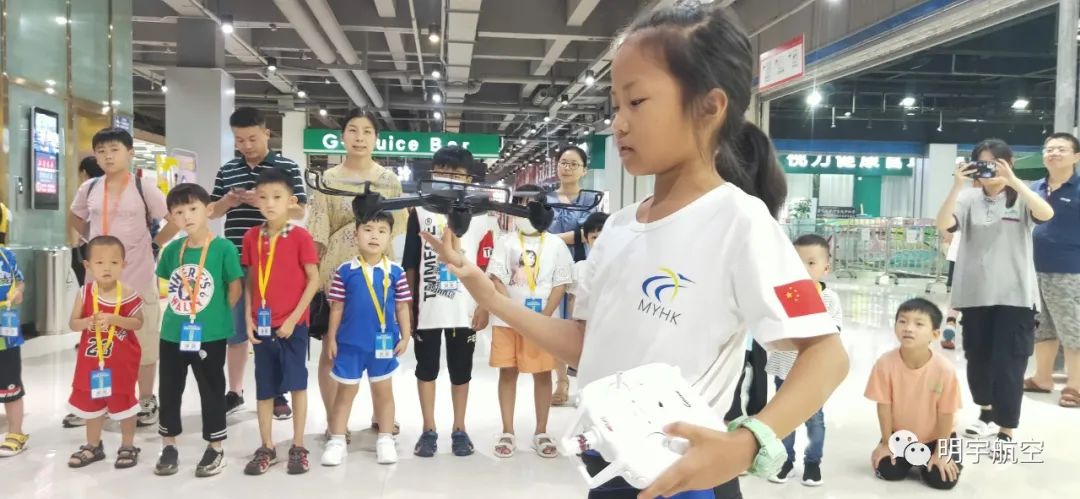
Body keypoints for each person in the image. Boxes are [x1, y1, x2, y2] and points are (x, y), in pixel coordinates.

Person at [420, 4, 847, 498]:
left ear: (709, 106)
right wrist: (493, 299)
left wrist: (748, 442)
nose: (619, 123)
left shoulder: (740, 222)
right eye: (615, 105)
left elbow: (826, 354)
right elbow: (586, 343)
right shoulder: (620, 227)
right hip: (609, 467)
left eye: (637, 102)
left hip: (683, 479)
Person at [934, 139, 1053, 444]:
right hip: (975, 294)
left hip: (1016, 296)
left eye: (995, 163)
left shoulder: (1022, 195)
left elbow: (1046, 214)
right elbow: (944, 224)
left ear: (1008, 163)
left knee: (1010, 363)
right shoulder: (968, 198)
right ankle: (985, 413)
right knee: (978, 358)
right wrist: (957, 186)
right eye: (983, 163)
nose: (989, 170)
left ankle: (1006, 428)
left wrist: (1013, 180)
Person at [69, 128, 179, 430]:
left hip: (138, 278)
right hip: (99, 283)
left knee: (143, 342)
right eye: (101, 151)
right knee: (98, 342)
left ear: (130, 153)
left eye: (114, 149)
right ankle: (97, 400)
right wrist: (90, 241)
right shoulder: (90, 188)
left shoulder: (144, 188)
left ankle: (145, 399)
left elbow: (173, 220)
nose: (108, 156)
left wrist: (154, 244)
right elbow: (75, 215)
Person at [308, 109, 406, 438]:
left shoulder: (389, 181)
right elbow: (318, 231)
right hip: (337, 274)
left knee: (381, 344)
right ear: (343, 136)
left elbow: (397, 226)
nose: (359, 137)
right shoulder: (327, 180)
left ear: (376, 138)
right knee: (333, 347)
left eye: (366, 131)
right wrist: (313, 279)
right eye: (353, 130)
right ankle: (335, 421)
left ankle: (382, 416)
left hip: (380, 276)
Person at [209, 107, 307, 419]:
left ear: (267, 133)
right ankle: (235, 391)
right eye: (239, 140)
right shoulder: (228, 170)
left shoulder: (286, 167)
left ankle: (278, 392)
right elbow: (211, 211)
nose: (246, 146)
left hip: (275, 263)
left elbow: (301, 210)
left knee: (274, 328)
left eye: (252, 138)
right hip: (234, 260)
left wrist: (264, 200)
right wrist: (228, 201)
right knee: (236, 329)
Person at [403, 145, 496, 458]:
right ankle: (428, 429)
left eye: (456, 173)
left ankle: (459, 428)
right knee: (426, 369)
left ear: (469, 178)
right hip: (427, 308)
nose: (448, 178)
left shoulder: (483, 216)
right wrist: (407, 306)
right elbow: (411, 263)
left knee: (461, 371)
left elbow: (488, 265)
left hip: (464, 309)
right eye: (442, 171)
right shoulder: (419, 211)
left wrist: (484, 305)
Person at [154, 183, 244, 477]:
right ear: (172, 217)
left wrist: (216, 314)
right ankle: (168, 444)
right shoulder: (172, 251)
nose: (187, 216)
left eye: (193, 209)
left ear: (209, 210)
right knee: (169, 389)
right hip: (173, 333)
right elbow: (167, 283)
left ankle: (215, 446)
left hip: (210, 334)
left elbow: (234, 288)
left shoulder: (223, 248)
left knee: (212, 389)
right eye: (179, 212)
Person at [240, 169, 321, 475]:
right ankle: (267, 446)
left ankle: (298, 445)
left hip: (293, 325)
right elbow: (250, 280)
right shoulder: (251, 237)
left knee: (297, 383)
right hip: (262, 326)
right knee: (265, 386)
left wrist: (294, 318)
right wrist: (247, 318)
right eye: (263, 197)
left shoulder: (300, 236)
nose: (270, 203)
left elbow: (313, 280)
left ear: (291, 201)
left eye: (277, 197)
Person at [486, 184, 574, 459]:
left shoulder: (556, 244)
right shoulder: (506, 241)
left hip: (542, 324)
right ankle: (507, 431)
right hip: (506, 322)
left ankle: (541, 431)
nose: (525, 210)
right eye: (520, 204)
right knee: (507, 372)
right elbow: (496, 278)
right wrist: (514, 314)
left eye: (530, 204)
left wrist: (542, 319)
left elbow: (561, 284)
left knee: (543, 374)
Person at [322, 211, 412, 466]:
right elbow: (336, 308)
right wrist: (331, 338)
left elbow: (402, 306)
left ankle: (385, 439)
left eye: (382, 231)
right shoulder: (345, 271)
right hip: (350, 345)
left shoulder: (396, 271)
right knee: (345, 393)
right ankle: (337, 440)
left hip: (383, 346)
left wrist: (406, 336)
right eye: (368, 229)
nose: (374, 236)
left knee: (384, 392)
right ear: (356, 234)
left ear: (389, 237)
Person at [764, 234, 843, 487]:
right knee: (784, 417)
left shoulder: (829, 299)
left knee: (814, 419)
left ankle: (812, 462)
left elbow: (831, 335)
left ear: (825, 268)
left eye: (811, 263)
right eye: (797, 262)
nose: (803, 269)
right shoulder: (781, 295)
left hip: (813, 374)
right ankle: (785, 460)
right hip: (783, 369)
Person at [65, 236, 145, 469]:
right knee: (92, 406)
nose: (107, 268)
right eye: (99, 263)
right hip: (91, 364)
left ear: (123, 265)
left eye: (114, 262)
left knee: (124, 404)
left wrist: (114, 319)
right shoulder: (85, 292)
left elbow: (138, 323)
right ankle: (93, 445)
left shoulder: (128, 293)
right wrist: (87, 322)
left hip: (120, 364)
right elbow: (73, 323)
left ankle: (128, 445)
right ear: (88, 266)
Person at [866, 298, 962, 490]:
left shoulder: (944, 370)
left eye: (919, 324)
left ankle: (928, 461)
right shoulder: (885, 363)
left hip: (940, 437)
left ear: (935, 334)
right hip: (901, 435)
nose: (908, 328)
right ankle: (915, 459)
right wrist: (886, 443)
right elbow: (884, 406)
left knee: (942, 479)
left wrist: (941, 452)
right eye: (902, 321)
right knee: (888, 470)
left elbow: (946, 414)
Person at [1027, 132, 1080, 408]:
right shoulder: (1034, 187)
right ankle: (1042, 377)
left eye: (1061, 149)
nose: (1054, 153)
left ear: (1076, 156)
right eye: (1049, 149)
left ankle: (1076, 385)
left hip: (1069, 271)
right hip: (1033, 268)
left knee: (1072, 328)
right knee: (1042, 326)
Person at [547, 145, 601, 405]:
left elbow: (592, 232)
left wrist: (554, 239)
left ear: (584, 170)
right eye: (563, 163)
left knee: (584, 325)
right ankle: (561, 381)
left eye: (573, 164)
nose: (567, 168)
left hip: (584, 269)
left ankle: (587, 384)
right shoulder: (545, 199)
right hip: (551, 269)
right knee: (557, 326)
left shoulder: (592, 200)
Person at [0, 238, 27, 458]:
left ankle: (16, 433)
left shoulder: (6, 256)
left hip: (6, 335)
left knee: (11, 386)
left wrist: (18, 292)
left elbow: (20, 281)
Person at [71, 156, 105, 287]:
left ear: (84, 172)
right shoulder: (108, 188)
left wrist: (76, 247)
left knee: (86, 284)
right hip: (108, 244)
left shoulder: (87, 189)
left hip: (87, 245)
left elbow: (75, 218)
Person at [940, 231, 961, 350]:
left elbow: (946, 232)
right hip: (982, 257)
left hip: (958, 254)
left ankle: (950, 324)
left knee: (957, 295)